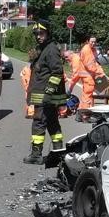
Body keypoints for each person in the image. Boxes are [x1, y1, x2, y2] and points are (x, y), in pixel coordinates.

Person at [23, 20, 68, 165]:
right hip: (43, 94)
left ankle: (36, 155)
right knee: (52, 123)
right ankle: (58, 152)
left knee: (39, 123)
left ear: (48, 33)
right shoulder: (43, 48)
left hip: (45, 95)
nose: (38, 36)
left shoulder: (51, 49)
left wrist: (48, 93)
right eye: (36, 34)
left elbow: (57, 73)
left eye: (41, 33)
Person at [73, 35, 109, 116]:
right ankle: (85, 115)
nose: (93, 43)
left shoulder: (92, 49)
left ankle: (81, 112)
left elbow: (95, 63)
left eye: (95, 42)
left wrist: (102, 72)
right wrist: (101, 73)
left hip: (89, 75)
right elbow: (90, 66)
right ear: (87, 41)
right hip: (87, 76)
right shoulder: (86, 50)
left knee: (86, 95)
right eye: (92, 42)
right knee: (87, 96)